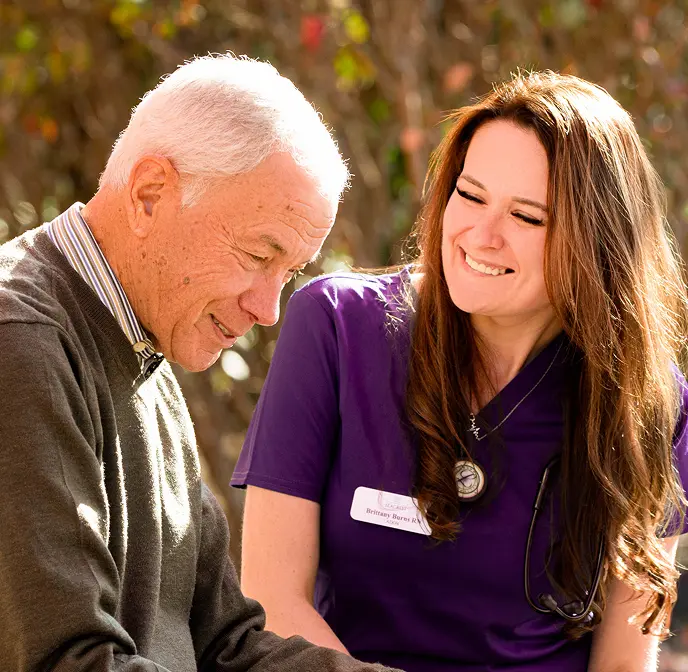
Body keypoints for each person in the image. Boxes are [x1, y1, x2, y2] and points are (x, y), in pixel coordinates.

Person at [232, 71, 688, 671]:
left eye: (527, 217)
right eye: (469, 195)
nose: (481, 235)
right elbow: (271, 598)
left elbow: (624, 663)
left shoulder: (647, 402)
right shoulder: (336, 327)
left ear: (596, 244)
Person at [0, 53, 404, 672]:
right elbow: (70, 660)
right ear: (150, 193)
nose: (269, 309)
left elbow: (226, 641)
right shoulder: (20, 343)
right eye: (257, 254)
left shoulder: (145, 344)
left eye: (289, 272)